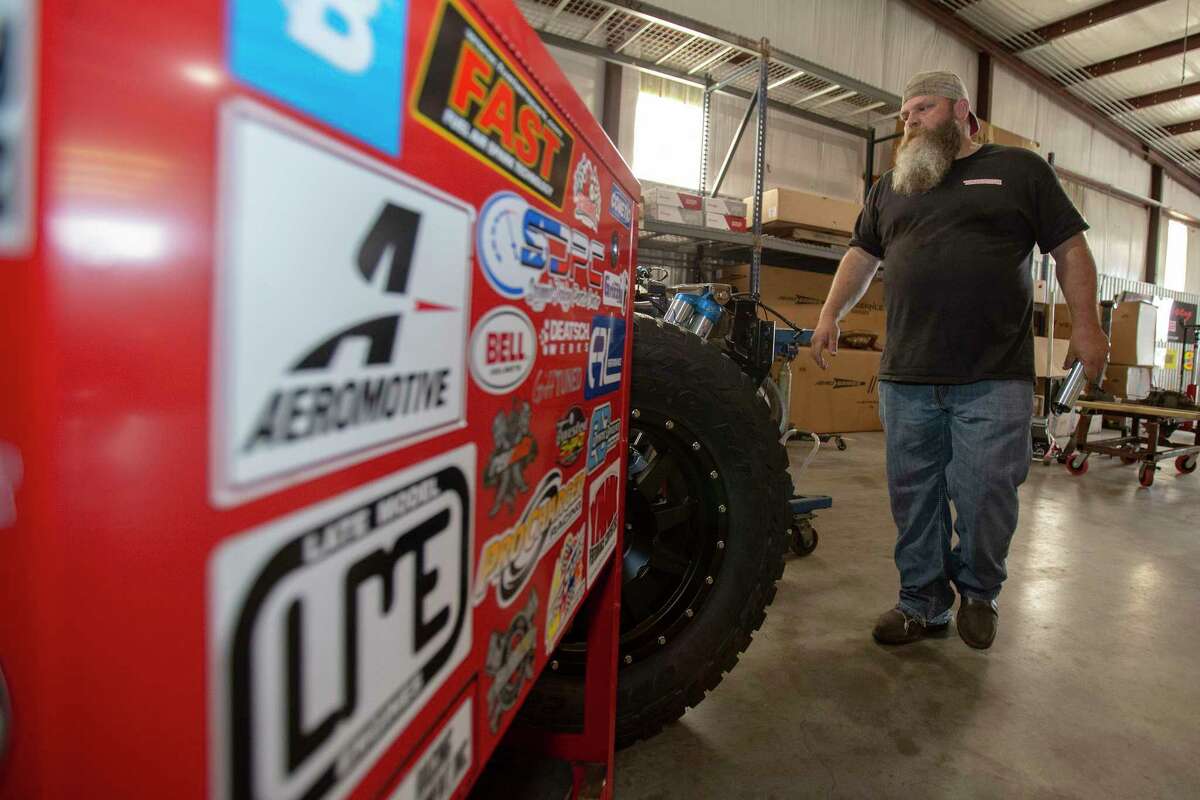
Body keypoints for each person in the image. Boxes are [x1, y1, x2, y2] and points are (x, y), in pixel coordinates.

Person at [810, 70, 1108, 650]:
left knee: (987, 494)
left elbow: (1071, 248)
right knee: (913, 498)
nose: (910, 121)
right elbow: (862, 254)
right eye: (904, 114)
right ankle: (922, 604)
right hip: (907, 375)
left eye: (923, 108)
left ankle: (978, 590)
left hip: (993, 375)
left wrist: (1087, 325)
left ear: (962, 113)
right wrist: (829, 313)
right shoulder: (892, 187)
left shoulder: (1019, 170)